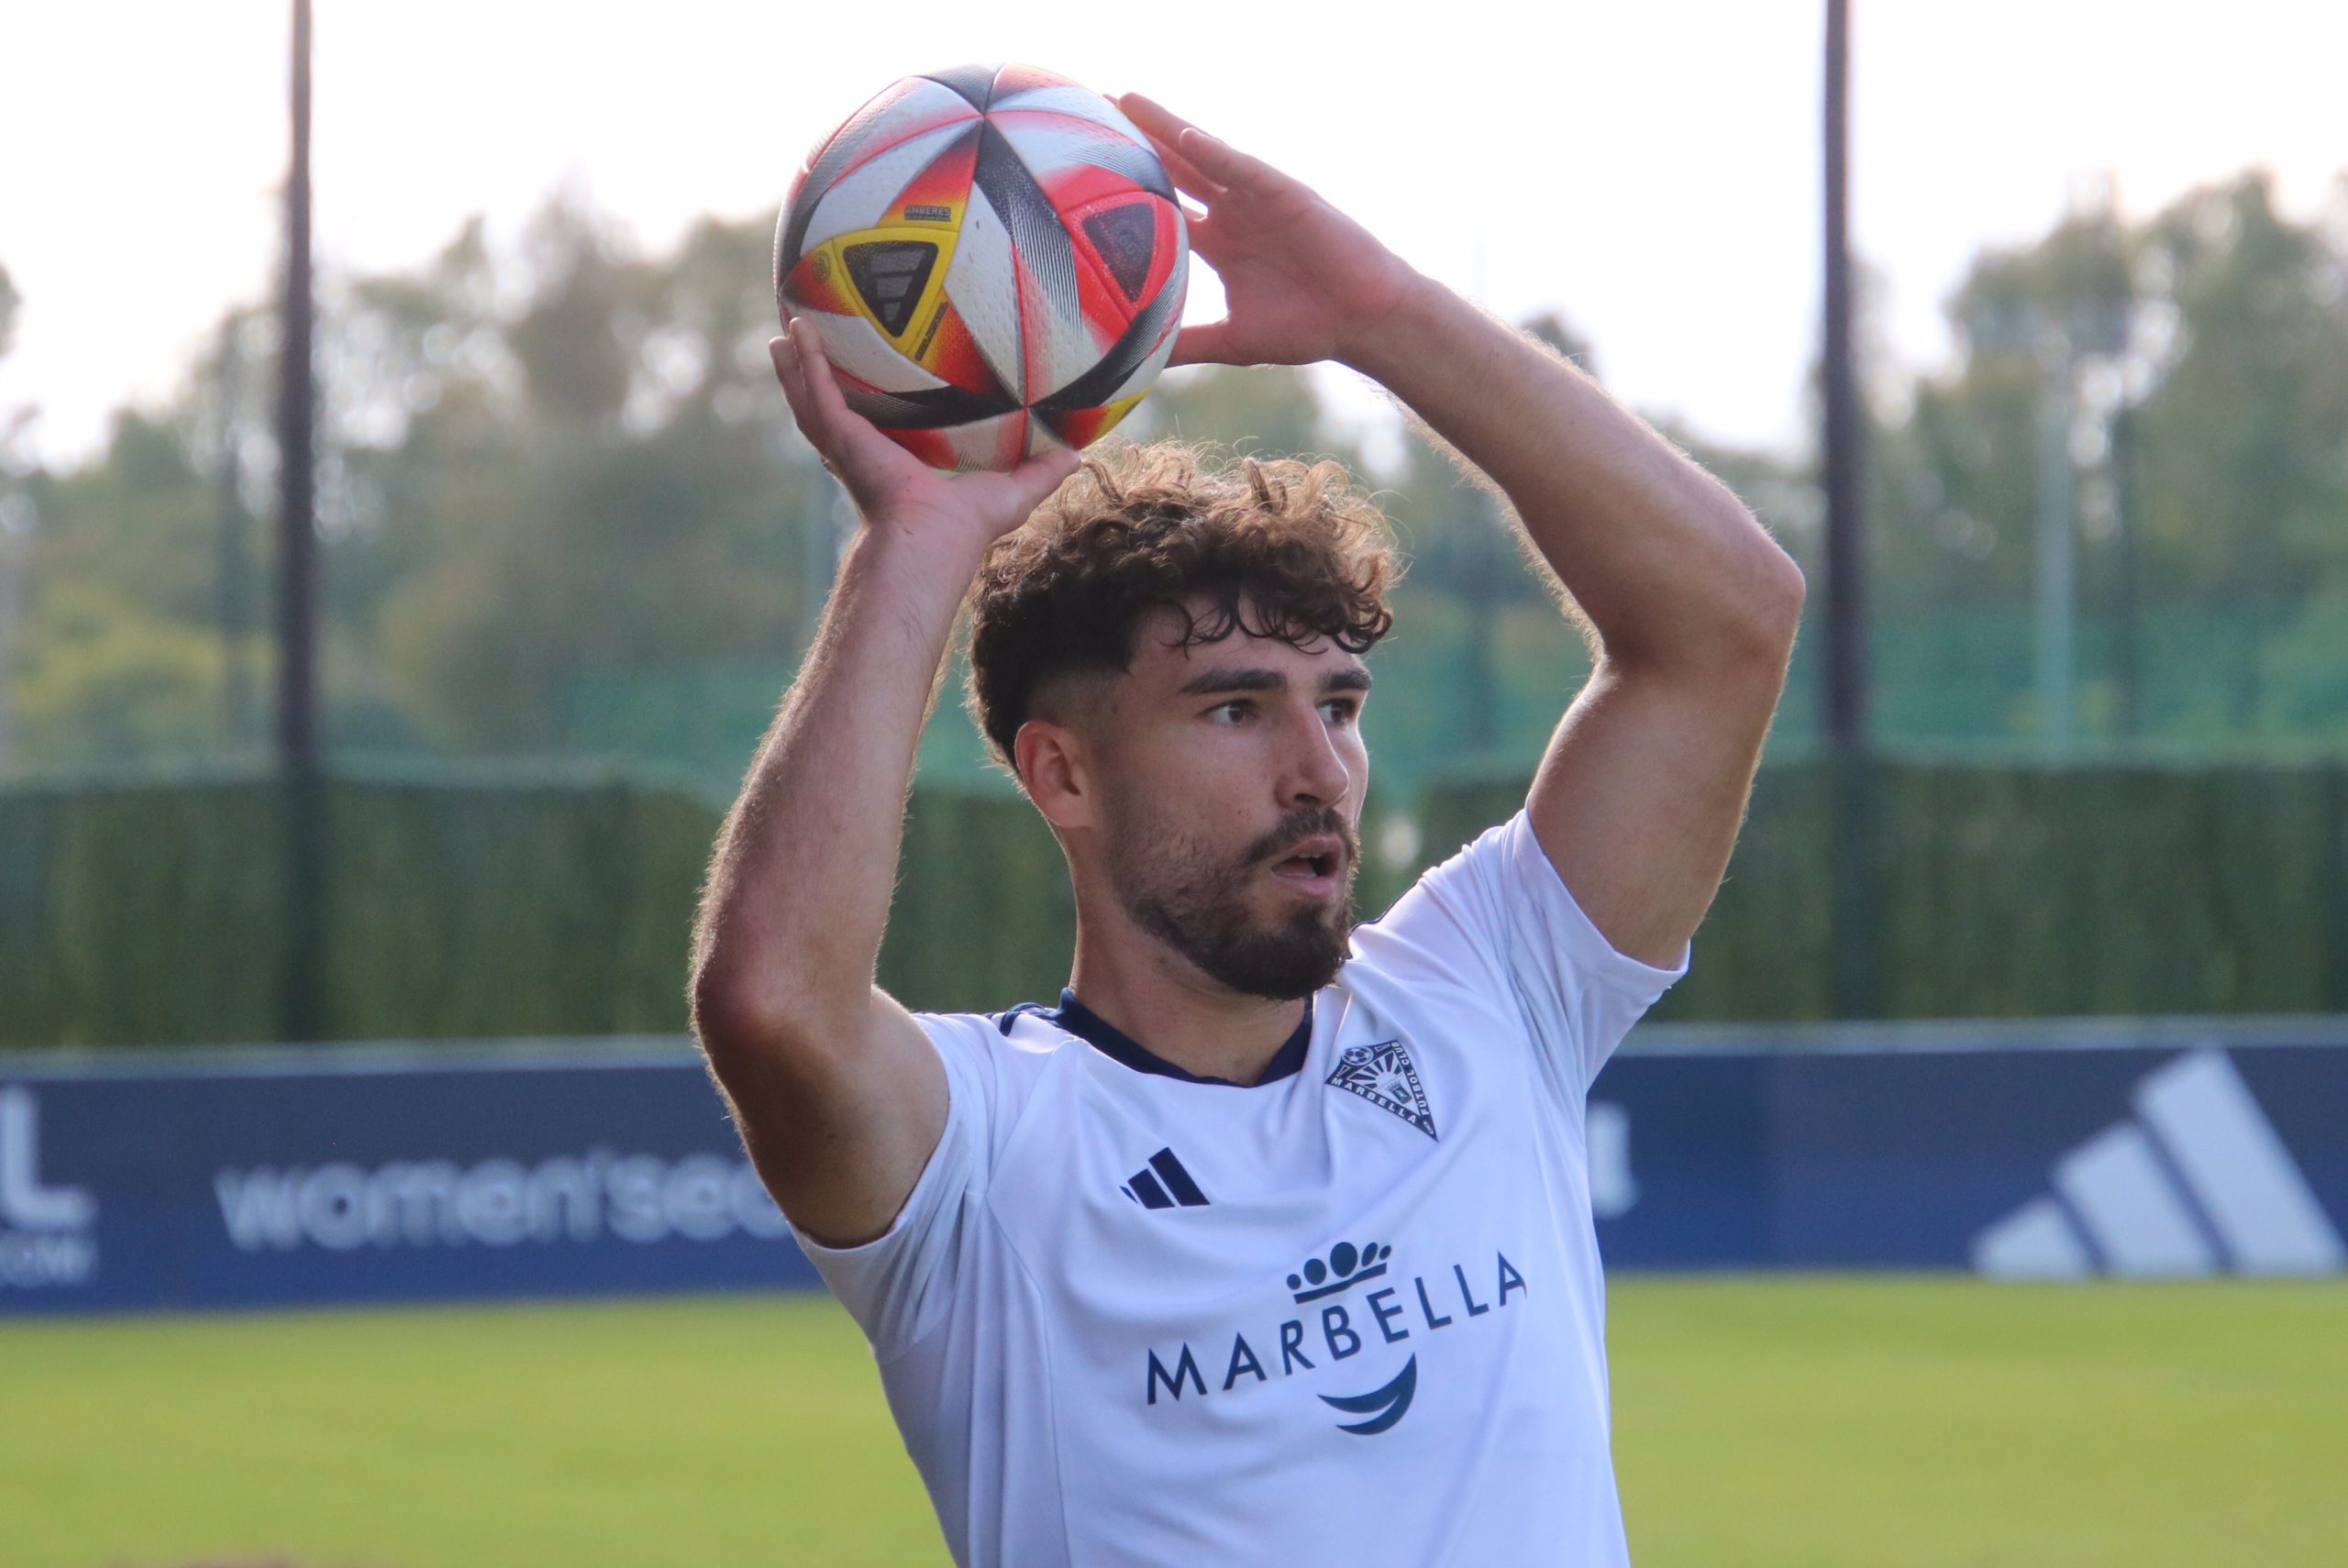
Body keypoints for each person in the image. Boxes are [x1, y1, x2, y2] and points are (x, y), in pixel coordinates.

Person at [690, 93, 1803, 1568]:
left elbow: (1728, 625)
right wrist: (919, 539)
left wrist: (1382, 316)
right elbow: (772, 1002)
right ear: (1060, 774)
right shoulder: (988, 1150)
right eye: (1233, 709)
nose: (1318, 767)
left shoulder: (1488, 993)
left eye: (1338, 703)